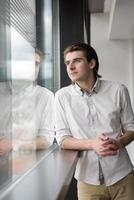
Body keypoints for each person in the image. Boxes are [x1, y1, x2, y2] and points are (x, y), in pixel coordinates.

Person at [55, 42, 134, 200]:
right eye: (67, 63)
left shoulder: (118, 90)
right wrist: (92, 144)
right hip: (87, 182)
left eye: (77, 61)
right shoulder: (62, 97)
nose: (70, 67)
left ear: (92, 63)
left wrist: (119, 143)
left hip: (123, 177)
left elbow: (131, 129)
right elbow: (62, 139)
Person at [0, 48, 54, 155]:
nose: (33, 68)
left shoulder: (45, 96)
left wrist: (13, 144)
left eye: (36, 64)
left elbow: (46, 140)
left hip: (28, 161)